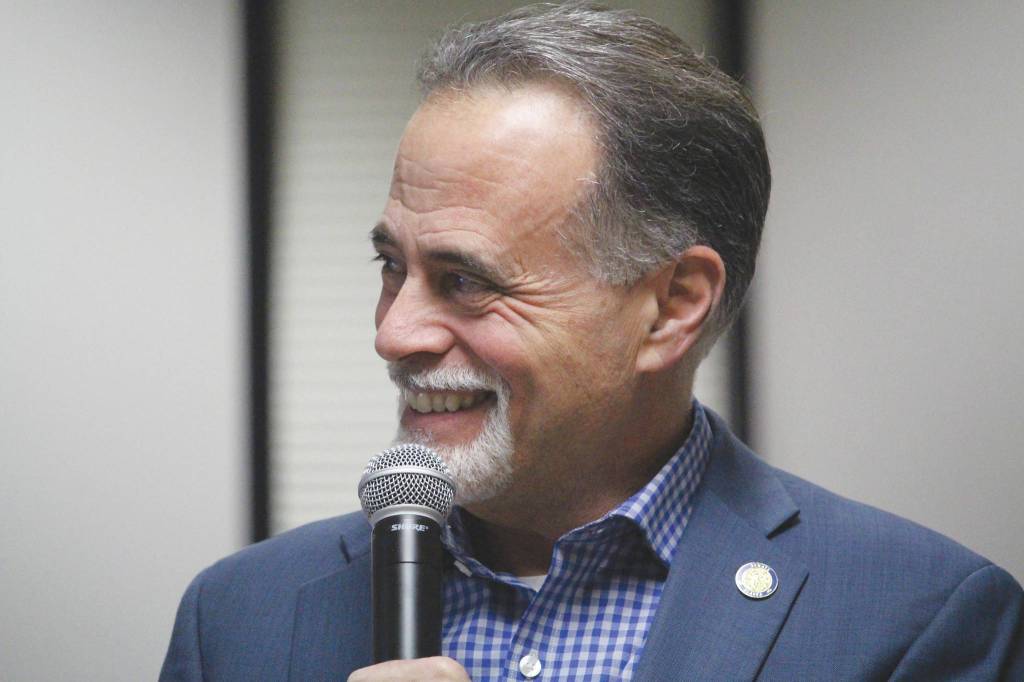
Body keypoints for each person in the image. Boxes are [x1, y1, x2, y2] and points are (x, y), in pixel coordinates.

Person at [160, 4, 1023, 680]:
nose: (395, 334)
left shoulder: (915, 622)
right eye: (393, 267)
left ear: (672, 305)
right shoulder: (241, 617)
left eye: (467, 280)